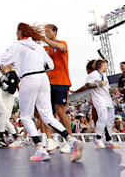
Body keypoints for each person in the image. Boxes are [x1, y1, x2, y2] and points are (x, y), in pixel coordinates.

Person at [0, 23, 83, 163]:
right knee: (47, 115)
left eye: (17, 31)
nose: (16, 34)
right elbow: (50, 65)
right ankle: (71, 140)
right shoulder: (38, 46)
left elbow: (1, 59)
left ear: (21, 32)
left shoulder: (17, 45)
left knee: (26, 116)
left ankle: (40, 149)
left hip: (29, 79)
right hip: (44, 79)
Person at [41, 24, 72, 154]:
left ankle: (69, 142)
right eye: (45, 32)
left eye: (48, 31)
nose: (46, 33)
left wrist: (45, 40)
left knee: (60, 111)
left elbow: (60, 47)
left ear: (55, 32)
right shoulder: (46, 48)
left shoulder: (61, 43)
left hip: (61, 81)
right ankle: (49, 140)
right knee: (48, 112)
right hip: (48, 82)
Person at [73, 59, 118, 149]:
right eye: (105, 65)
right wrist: (97, 85)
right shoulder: (93, 74)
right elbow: (87, 85)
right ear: (101, 65)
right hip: (99, 99)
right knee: (103, 118)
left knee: (110, 120)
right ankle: (98, 139)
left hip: (108, 99)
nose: (106, 67)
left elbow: (106, 88)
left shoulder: (104, 76)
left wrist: (113, 90)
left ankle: (108, 140)